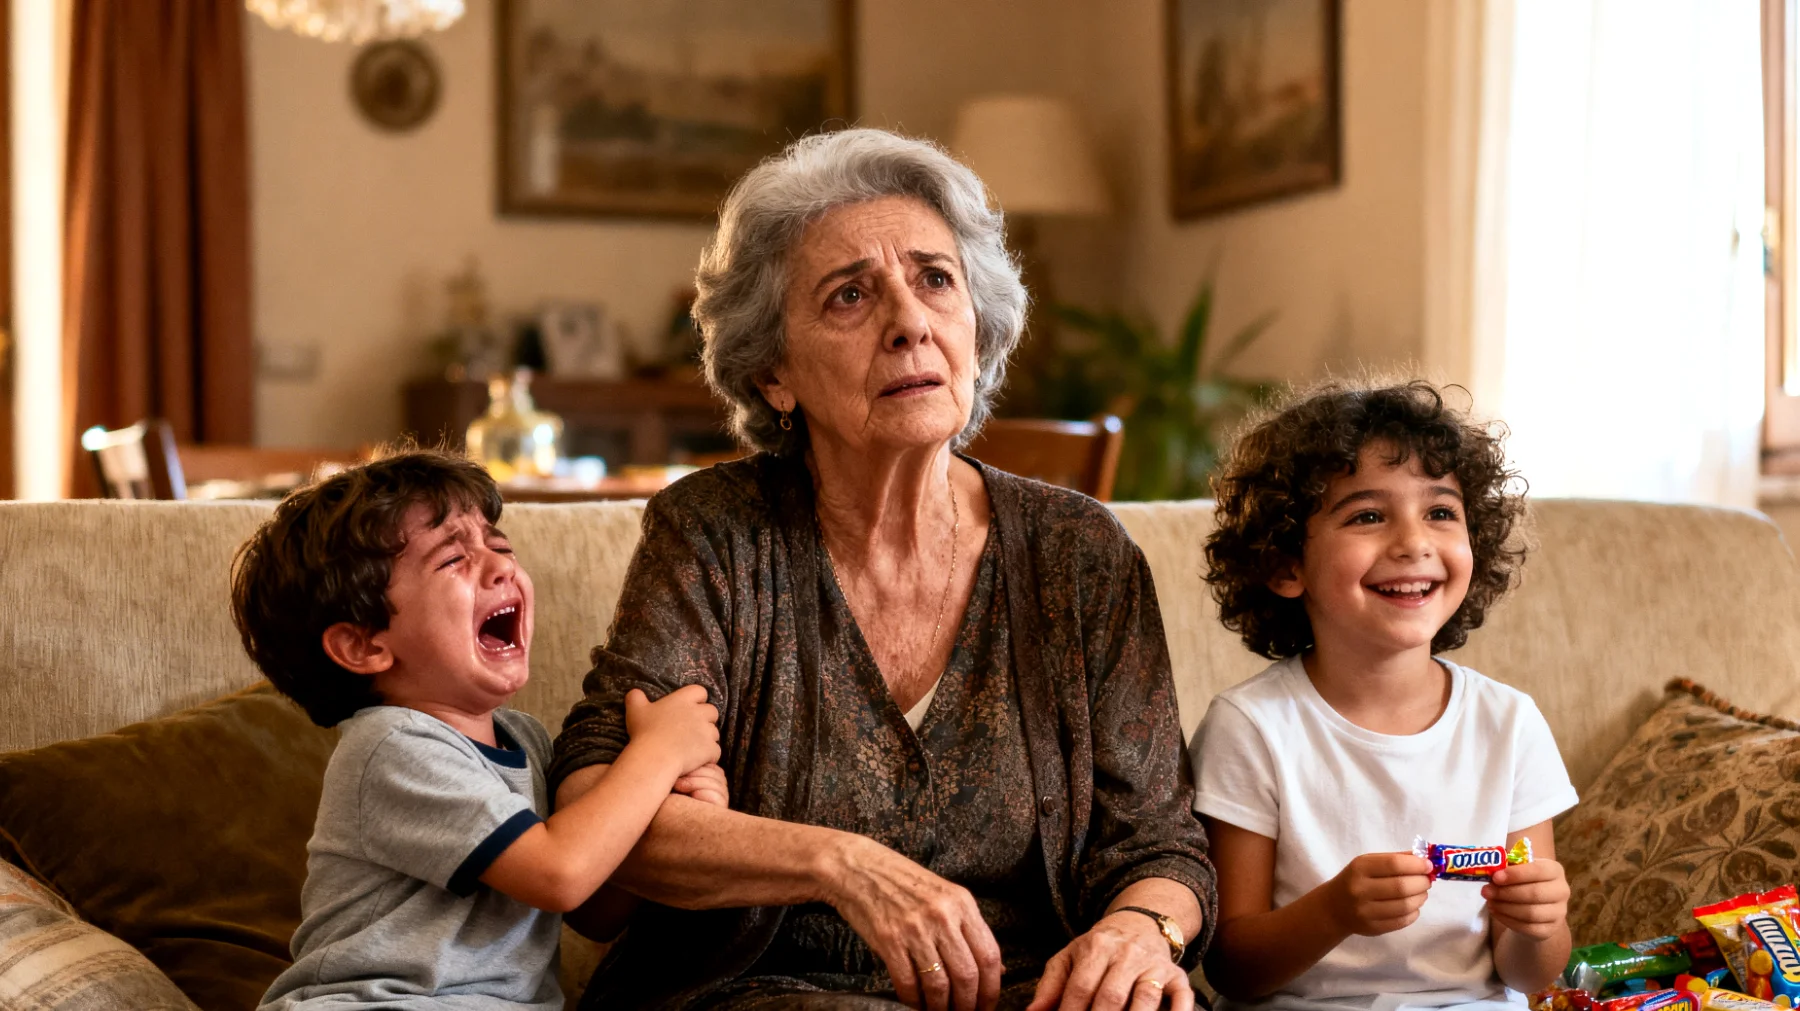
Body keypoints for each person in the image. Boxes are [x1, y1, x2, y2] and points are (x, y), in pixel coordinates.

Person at [550, 128, 1215, 1011]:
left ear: (976, 325)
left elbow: (1160, 844)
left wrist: (1140, 932)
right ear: (774, 372)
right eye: (850, 296)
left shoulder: (1078, 551)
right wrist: (838, 863)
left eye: (935, 279)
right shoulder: (715, 534)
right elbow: (601, 824)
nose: (910, 322)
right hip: (766, 990)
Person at [230, 450, 726, 1011]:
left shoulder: (527, 740)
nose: (501, 568)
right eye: (453, 561)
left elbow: (590, 911)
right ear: (365, 645)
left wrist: (673, 798)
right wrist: (658, 754)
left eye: (499, 545)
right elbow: (559, 873)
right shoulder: (391, 747)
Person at [1190, 380, 1578, 1011]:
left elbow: (1530, 975)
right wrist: (1334, 910)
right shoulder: (1251, 727)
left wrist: (1541, 922)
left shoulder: (1510, 723)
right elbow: (1231, 966)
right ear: (1287, 565)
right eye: (1368, 516)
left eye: (1441, 512)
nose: (1414, 542)